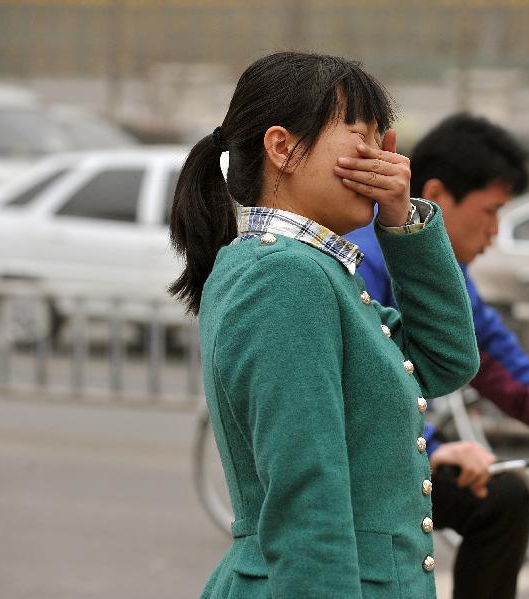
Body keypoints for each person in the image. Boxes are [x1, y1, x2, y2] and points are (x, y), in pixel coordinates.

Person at [169, 52, 479, 598]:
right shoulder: (284, 276)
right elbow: (307, 499)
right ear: (282, 148)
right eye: (358, 135)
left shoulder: (312, 269)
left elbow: (443, 359)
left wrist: (403, 221)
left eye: (382, 138)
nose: (381, 157)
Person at [345, 113, 529, 599]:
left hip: (399, 445)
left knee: (501, 496)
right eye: (489, 211)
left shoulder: (444, 270)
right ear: (438, 196)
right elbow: (361, 384)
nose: (494, 230)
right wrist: (434, 445)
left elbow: (489, 349)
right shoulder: (364, 262)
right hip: (358, 455)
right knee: (500, 501)